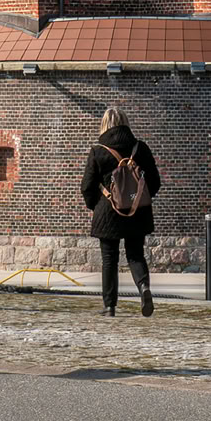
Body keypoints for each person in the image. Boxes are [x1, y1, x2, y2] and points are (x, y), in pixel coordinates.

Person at [80, 107, 162, 318]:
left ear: (105, 124)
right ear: (126, 123)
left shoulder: (98, 151)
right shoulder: (140, 148)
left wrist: (96, 206)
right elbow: (154, 182)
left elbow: (87, 186)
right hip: (137, 212)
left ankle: (110, 307)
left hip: (108, 213)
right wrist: (139, 200)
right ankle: (144, 288)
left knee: (110, 259)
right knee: (135, 255)